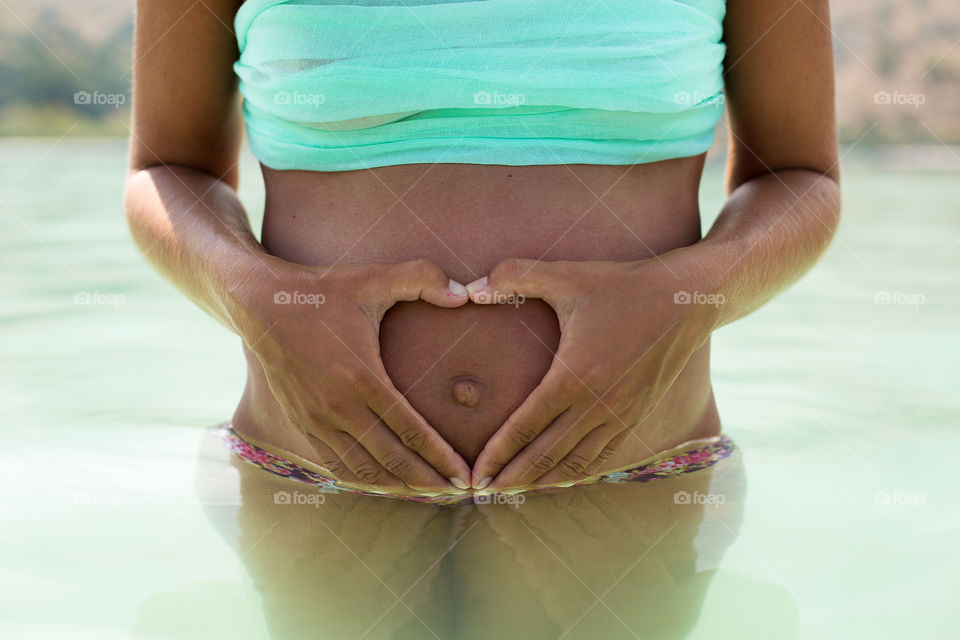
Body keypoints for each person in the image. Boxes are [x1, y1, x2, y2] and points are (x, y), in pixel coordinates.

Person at [124, 0, 840, 497]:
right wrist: (257, 300)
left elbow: (800, 179)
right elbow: (167, 170)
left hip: (629, 474)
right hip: (316, 471)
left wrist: (682, 300)